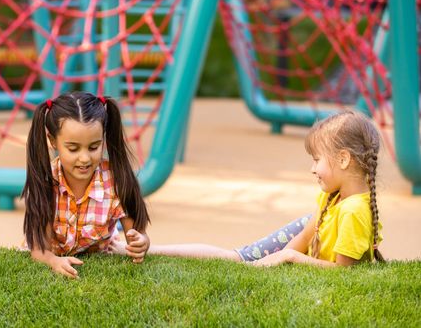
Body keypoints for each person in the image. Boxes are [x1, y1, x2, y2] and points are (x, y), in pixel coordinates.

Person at [110, 110, 384, 267]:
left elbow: (343, 275)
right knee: (235, 258)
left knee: (234, 259)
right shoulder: (332, 196)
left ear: (344, 159)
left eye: (317, 160)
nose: (313, 169)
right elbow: (303, 236)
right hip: (303, 229)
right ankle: (149, 249)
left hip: (308, 241)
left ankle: (143, 249)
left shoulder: (354, 213)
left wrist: (288, 258)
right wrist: (277, 259)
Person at [22, 91, 151, 278]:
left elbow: (138, 234)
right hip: (51, 252)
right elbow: (38, 249)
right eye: (73, 148)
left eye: (93, 147)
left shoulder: (117, 181)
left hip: (105, 251)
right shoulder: (45, 180)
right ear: (53, 141)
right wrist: (53, 260)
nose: (84, 158)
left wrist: (141, 242)